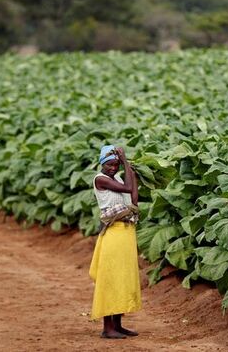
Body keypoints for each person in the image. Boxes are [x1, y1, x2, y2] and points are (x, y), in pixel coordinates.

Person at [88, 145, 142, 339]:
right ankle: (107, 328)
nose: (113, 168)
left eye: (116, 165)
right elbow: (127, 188)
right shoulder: (100, 179)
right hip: (113, 234)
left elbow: (133, 201)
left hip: (126, 232)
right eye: (110, 164)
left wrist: (132, 175)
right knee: (111, 280)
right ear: (102, 163)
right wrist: (126, 162)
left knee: (122, 279)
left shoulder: (118, 177)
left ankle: (117, 325)